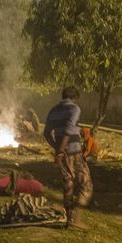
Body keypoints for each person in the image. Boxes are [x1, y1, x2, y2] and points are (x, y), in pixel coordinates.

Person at [43, 86, 92, 228]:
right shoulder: (74, 109)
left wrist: (57, 149)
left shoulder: (53, 110)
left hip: (63, 156)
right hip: (74, 153)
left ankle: (69, 220)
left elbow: (47, 133)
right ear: (74, 97)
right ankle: (76, 218)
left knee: (68, 186)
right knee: (87, 186)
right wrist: (60, 150)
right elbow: (69, 130)